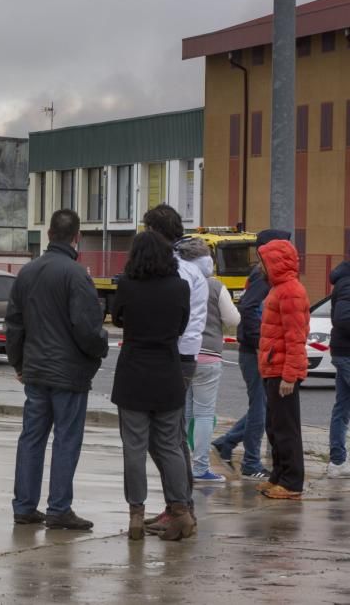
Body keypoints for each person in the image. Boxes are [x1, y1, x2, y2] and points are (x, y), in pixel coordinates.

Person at [4, 209, 108, 530]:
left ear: (48, 234)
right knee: (66, 439)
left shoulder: (28, 272)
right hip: (69, 373)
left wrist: (19, 362)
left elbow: (14, 324)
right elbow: (88, 328)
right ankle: (59, 508)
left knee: (31, 438)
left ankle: (24, 505)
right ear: (76, 237)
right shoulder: (77, 276)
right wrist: (98, 353)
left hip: (36, 370)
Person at [111, 231, 194, 541]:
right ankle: (180, 511)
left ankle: (136, 514)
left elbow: (118, 318)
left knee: (134, 448)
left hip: (133, 374)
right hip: (168, 375)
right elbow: (182, 326)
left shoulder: (128, 286)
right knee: (171, 446)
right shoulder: (180, 287)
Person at [140, 204, 207, 534]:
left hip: (174, 356)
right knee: (170, 435)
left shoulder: (176, 270)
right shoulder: (190, 270)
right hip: (183, 355)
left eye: (146, 229)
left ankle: (181, 505)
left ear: (156, 230)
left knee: (165, 437)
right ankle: (178, 504)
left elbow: (170, 317)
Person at [212, 229, 292, 481]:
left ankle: (228, 442)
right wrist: (260, 342)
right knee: (260, 407)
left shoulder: (262, 274)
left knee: (263, 406)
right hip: (255, 351)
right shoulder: (262, 276)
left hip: (255, 349)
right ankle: (250, 463)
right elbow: (248, 308)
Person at [177, 238, 240, 484]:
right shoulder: (215, 286)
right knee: (204, 414)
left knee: (185, 413)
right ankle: (200, 466)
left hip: (182, 354)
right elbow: (233, 319)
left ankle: (180, 464)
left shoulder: (178, 283)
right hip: (209, 354)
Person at [256, 238, 310, 499]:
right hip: (273, 368)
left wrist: (290, 375)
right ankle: (278, 475)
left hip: (281, 371)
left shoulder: (289, 291)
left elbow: (295, 337)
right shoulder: (279, 289)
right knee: (275, 426)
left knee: (286, 428)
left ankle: (291, 482)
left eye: (263, 261)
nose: (259, 266)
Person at [327, 258, 350, 478]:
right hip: (346, 352)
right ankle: (337, 460)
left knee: (342, 407)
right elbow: (343, 317)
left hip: (343, 351)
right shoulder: (348, 282)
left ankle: (337, 462)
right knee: (342, 408)